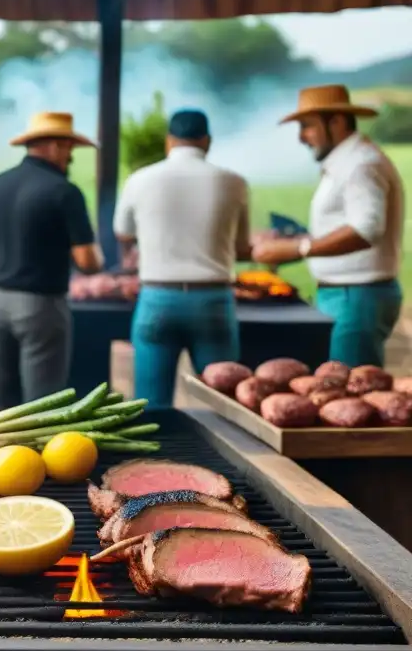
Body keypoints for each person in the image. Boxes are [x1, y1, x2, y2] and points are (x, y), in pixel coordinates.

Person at [253, 84, 404, 367]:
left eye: (307, 126)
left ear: (336, 121)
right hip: (348, 294)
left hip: (357, 296)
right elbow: (346, 226)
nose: (301, 138)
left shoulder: (360, 165)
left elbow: (366, 229)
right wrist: (287, 241)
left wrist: (297, 248)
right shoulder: (349, 161)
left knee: (349, 392)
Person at [0, 112, 103, 410]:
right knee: (42, 406)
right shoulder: (65, 192)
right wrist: (97, 259)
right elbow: (87, 260)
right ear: (54, 146)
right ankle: (36, 457)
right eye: (69, 149)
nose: (70, 158)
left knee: (2, 403)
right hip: (41, 308)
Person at [113, 110, 251, 408]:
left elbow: (122, 233)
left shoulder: (140, 179)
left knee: (150, 405)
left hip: (157, 297)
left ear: (169, 142)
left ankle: (159, 454)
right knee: (222, 402)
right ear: (207, 141)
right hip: (214, 300)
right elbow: (242, 247)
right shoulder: (234, 182)